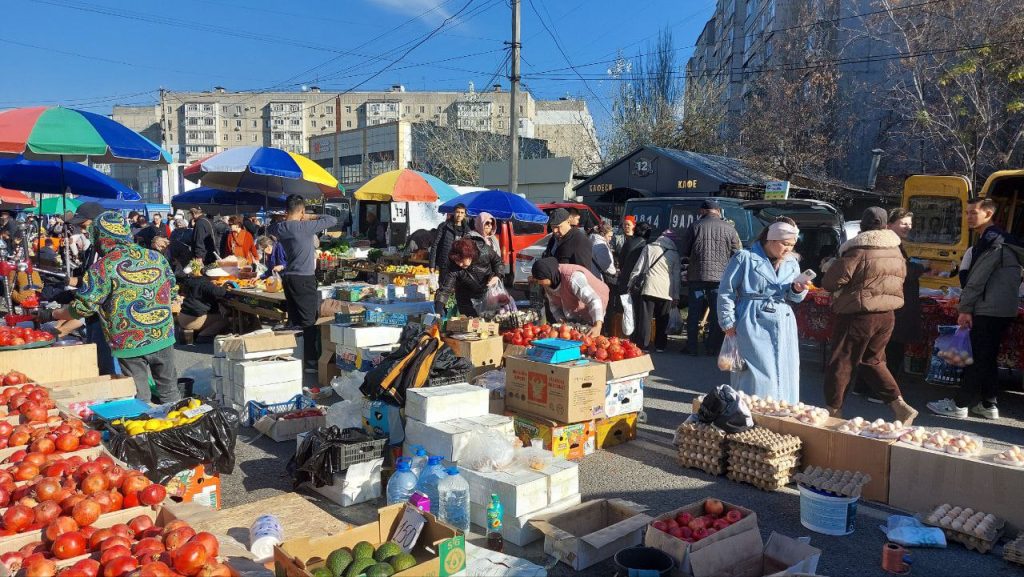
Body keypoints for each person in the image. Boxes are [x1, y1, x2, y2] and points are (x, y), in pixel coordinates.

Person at [43, 211, 179, 403]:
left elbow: (83, 308)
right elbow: (173, 290)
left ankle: (146, 431)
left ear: (100, 237)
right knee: (170, 394)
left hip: (129, 341)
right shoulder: (155, 257)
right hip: (163, 334)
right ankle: (177, 430)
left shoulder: (103, 267)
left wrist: (53, 314)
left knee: (140, 400)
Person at [928, 198, 1024, 420]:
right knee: (987, 357)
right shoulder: (1002, 241)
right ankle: (988, 404)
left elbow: (976, 280)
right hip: (1001, 308)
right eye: (967, 212)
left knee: (977, 358)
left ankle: (959, 405)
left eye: (973, 212)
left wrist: (965, 308)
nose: (968, 217)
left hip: (988, 309)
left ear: (988, 213)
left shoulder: (993, 243)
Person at [821, 207, 916, 423]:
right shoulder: (895, 250)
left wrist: (830, 266)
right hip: (887, 315)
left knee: (841, 362)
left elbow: (831, 282)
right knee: (873, 361)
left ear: (862, 226)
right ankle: (899, 405)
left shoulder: (858, 249)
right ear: (885, 225)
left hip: (858, 314)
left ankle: (833, 410)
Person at [718, 218, 809, 404]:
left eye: (792, 245)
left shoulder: (792, 262)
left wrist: (797, 290)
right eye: (785, 244)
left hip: (783, 321)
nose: (789, 249)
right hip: (751, 319)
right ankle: (748, 413)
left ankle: (781, 412)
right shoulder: (745, 258)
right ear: (772, 239)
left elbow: (793, 297)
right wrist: (728, 322)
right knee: (755, 372)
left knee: (784, 371)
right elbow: (726, 291)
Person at [854, 208, 925, 401]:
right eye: (903, 223)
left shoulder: (892, 244)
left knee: (878, 348)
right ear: (889, 224)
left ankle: (863, 386)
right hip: (891, 303)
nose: (908, 227)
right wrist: (921, 268)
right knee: (888, 349)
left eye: (910, 224)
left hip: (889, 301)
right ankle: (881, 391)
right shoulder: (888, 246)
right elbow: (900, 271)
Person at [268, 195, 337, 373]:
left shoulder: (280, 227)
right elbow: (332, 219)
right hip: (304, 278)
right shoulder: (304, 226)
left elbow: (271, 227)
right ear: (302, 211)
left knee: (294, 319)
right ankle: (311, 362)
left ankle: (295, 356)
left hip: (289, 277)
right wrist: (310, 217)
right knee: (308, 321)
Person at [680, 200, 742, 356]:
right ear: (717, 211)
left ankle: (692, 347)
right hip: (720, 278)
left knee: (693, 313)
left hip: (697, 276)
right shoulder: (730, 228)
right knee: (717, 313)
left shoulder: (695, 226)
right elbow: (738, 253)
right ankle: (712, 347)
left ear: (703, 211)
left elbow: (684, 250)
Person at [627, 228, 680, 352]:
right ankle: (660, 346)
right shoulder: (675, 254)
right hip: (666, 291)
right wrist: (676, 295)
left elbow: (638, 267)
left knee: (646, 318)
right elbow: (676, 277)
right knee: (662, 319)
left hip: (649, 288)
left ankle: (643, 345)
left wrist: (631, 282)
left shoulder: (649, 248)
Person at [531, 257, 609, 338]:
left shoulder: (574, 278)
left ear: (548, 275)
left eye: (539, 280)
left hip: (597, 298)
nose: (539, 283)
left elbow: (594, 300)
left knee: (594, 333)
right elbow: (553, 304)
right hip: (578, 308)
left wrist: (597, 326)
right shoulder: (548, 282)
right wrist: (561, 320)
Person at [433, 238, 503, 316]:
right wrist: (437, 312)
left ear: (470, 255)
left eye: (462, 261)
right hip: (465, 298)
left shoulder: (484, 250)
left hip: (488, 293)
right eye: (457, 261)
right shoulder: (452, 266)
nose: (460, 264)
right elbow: (445, 290)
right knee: (471, 324)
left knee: (492, 322)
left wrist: (497, 275)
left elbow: (497, 261)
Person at [176, 261, 230, 342]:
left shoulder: (194, 281)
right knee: (225, 319)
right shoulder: (207, 285)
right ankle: (204, 335)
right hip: (192, 319)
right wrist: (225, 288)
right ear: (213, 275)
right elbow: (222, 293)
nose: (220, 277)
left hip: (182, 316)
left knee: (213, 313)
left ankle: (198, 332)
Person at [617, 221, 651, 337]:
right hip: (637, 282)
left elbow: (621, 261)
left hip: (625, 279)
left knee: (626, 309)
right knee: (637, 309)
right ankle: (635, 335)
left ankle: (626, 334)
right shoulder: (645, 246)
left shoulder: (628, 243)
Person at [429, 204, 469, 278]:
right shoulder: (444, 226)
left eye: (462, 212)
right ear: (453, 213)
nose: (459, 215)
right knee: (444, 287)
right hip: (445, 264)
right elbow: (435, 245)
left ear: (465, 215)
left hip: (460, 265)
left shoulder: (467, 230)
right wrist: (432, 265)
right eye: (457, 212)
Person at [590, 222, 617, 286]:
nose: (610, 239)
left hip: (593, 275)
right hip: (600, 279)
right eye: (609, 236)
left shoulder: (592, 239)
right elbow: (607, 266)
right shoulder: (601, 246)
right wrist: (614, 272)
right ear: (602, 234)